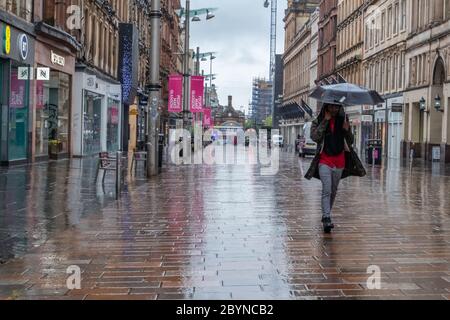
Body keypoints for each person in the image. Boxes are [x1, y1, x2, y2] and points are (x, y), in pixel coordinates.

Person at [305, 103, 366, 233]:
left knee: (333, 190)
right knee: (326, 189)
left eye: (336, 107)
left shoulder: (343, 119)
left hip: (339, 160)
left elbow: (350, 141)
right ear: (326, 107)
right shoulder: (319, 120)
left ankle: (326, 214)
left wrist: (347, 129)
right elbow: (315, 137)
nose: (334, 109)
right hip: (324, 160)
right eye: (331, 107)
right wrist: (325, 121)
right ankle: (327, 217)